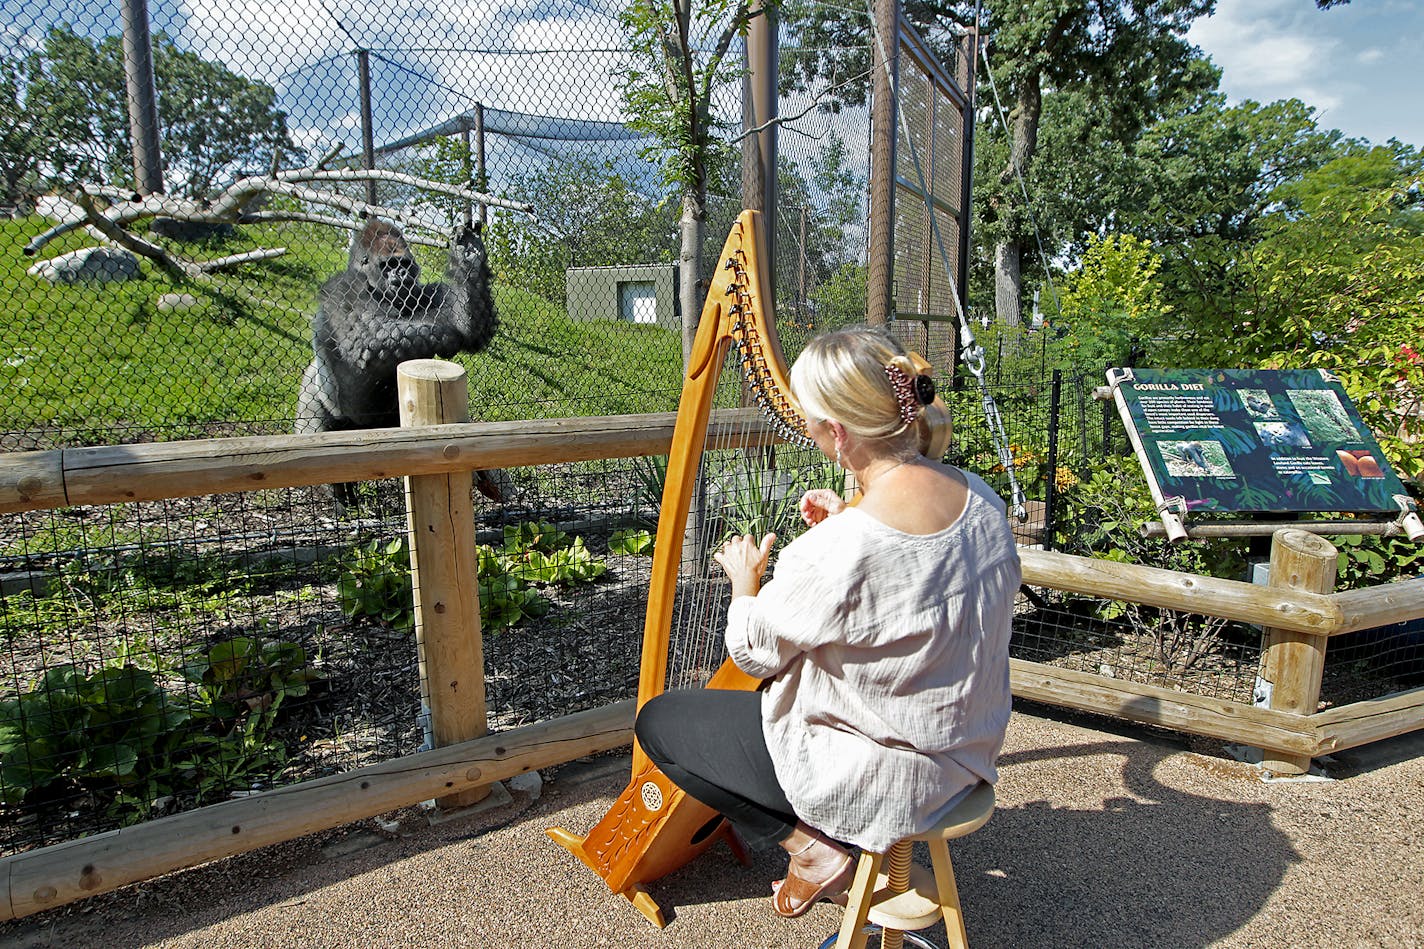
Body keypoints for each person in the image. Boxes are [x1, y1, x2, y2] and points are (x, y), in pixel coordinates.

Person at [634, 325, 1021, 919]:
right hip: (966, 748)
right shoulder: (982, 501)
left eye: (810, 424)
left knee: (662, 722)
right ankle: (825, 846)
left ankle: (811, 849)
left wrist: (745, 582)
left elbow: (755, 654)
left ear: (838, 434)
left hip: (882, 770)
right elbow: (918, 578)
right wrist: (847, 516)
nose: (809, 434)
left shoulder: (841, 548)